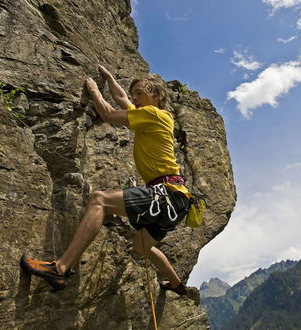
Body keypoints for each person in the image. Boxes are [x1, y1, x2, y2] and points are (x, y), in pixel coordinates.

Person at [21, 65, 191, 296]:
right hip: (177, 201)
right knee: (141, 246)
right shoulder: (152, 118)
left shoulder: (154, 114)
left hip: (165, 194)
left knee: (99, 200)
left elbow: (110, 114)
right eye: (134, 95)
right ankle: (177, 284)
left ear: (157, 95)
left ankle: (59, 268)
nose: (135, 99)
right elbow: (122, 100)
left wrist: (94, 90)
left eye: (140, 93)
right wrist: (110, 78)